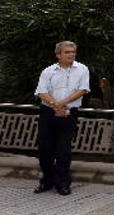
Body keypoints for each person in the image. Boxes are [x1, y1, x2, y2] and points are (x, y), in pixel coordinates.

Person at [33, 41, 90, 196]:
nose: (71, 54)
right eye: (67, 52)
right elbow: (41, 92)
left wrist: (62, 104)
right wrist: (55, 106)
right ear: (58, 55)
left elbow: (83, 89)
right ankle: (46, 181)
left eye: (73, 52)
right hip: (48, 113)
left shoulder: (82, 69)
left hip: (69, 113)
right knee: (45, 150)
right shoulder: (48, 71)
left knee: (64, 150)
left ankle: (63, 183)